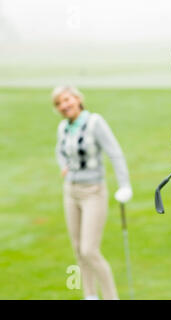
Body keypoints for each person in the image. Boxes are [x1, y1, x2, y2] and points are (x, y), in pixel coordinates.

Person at [53, 86, 133, 300]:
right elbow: (59, 151)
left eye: (67, 100)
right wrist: (64, 165)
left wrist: (124, 185)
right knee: (78, 250)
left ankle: (110, 297)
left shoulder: (94, 122)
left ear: (78, 99)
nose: (64, 106)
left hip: (93, 192)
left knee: (90, 250)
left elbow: (115, 153)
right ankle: (90, 295)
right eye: (59, 103)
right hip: (70, 191)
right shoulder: (63, 127)